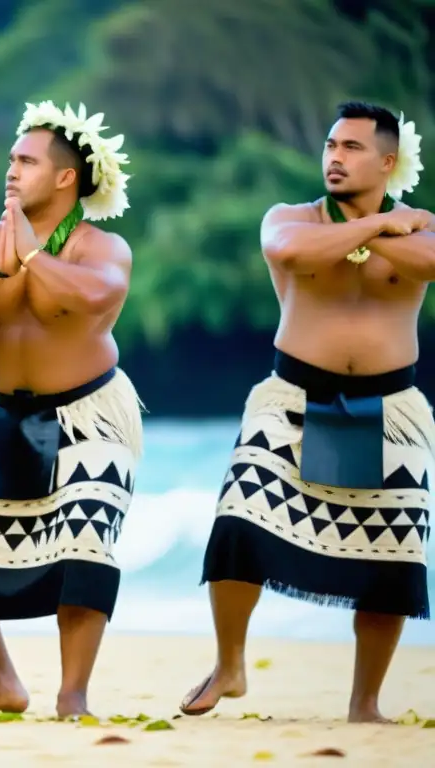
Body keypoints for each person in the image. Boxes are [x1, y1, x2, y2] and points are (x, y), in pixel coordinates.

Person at [181, 102, 434, 723]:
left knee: (393, 558)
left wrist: (384, 232)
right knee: (239, 523)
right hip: (289, 396)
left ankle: (364, 702)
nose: (335, 157)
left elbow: (429, 263)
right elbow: (292, 251)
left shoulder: (423, 233)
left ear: (387, 162)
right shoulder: (290, 217)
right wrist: (382, 228)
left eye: (351, 147)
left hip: (392, 404)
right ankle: (231, 664)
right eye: (330, 145)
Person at [0, 101, 143, 718]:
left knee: (84, 551)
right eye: (12, 158)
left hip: (89, 414)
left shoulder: (101, 246)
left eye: (27, 161)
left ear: (67, 177)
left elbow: (94, 299)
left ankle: (73, 694)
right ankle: (0, 680)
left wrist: (34, 258)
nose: (11, 169)